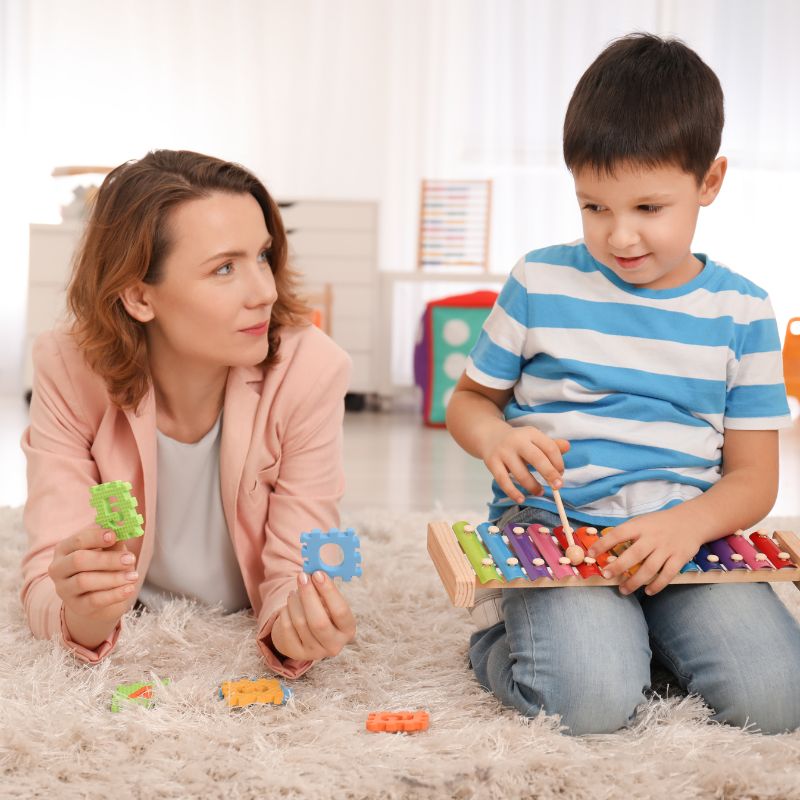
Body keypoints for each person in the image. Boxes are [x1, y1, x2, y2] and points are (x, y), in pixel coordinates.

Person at [446, 33, 800, 735]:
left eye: (648, 208)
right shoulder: (538, 281)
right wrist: (495, 436)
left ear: (710, 181)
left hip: (685, 540)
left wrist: (690, 524)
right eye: (594, 207)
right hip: (558, 527)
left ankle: (632, 639)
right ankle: (502, 639)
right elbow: (470, 401)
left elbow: (755, 480)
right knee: (588, 705)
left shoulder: (743, 312)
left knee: (779, 700)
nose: (619, 237)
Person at [20, 150, 355, 679]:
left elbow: (299, 564)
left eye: (263, 256)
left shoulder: (310, 369)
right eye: (224, 268)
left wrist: (297, 629)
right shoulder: (66, 367)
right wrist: (83, 613)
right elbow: (48, 570)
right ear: (137, 295)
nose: (265, 291)